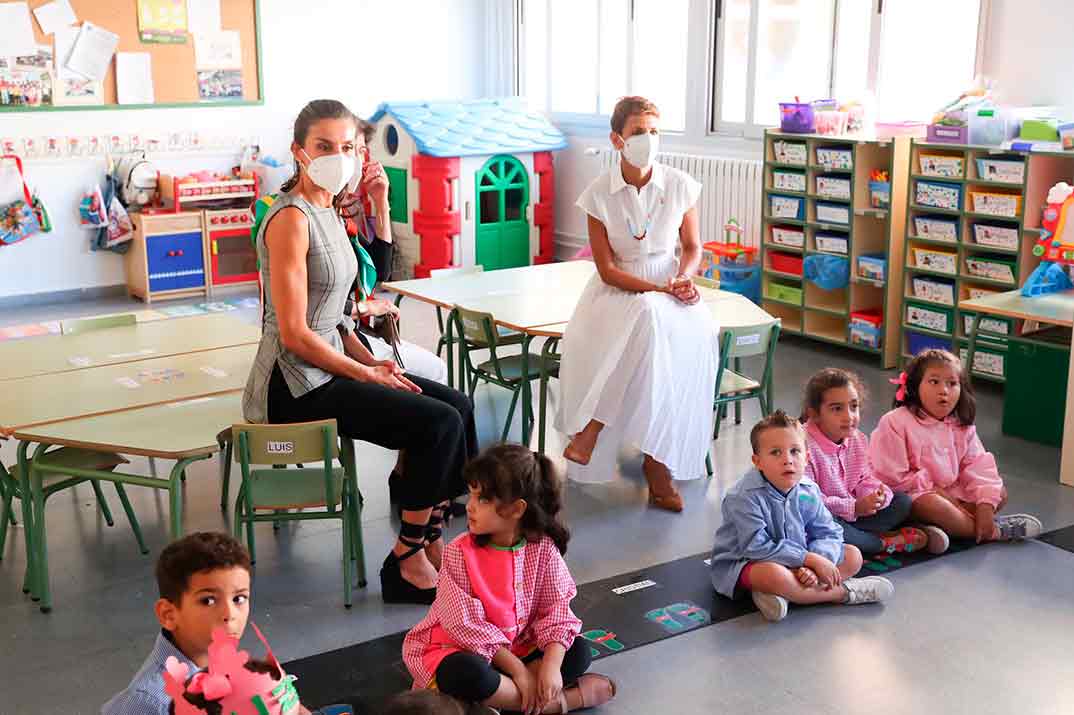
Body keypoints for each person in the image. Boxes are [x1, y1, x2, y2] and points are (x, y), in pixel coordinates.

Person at [241, 99, 478, 605]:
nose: (337, 155)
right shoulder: (290, 219)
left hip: (330, 365)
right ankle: (407, 557)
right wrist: (363, 374)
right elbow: (295, 334)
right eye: (324, 146)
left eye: (346, 146)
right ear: (299, 152)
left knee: (458, 405)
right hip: (294, 385)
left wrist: (372, 361)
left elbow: (339, 317)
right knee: (437, 424)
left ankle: (431, 533)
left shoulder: (329, 209)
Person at [555, 96, 719, 512]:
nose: (648, 139)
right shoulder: (597, 195)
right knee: (647, 317)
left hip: (671, 285)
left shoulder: (681, 184)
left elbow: (692, 246)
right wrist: (660, 292)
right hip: (618, 293)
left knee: (671, 334)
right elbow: (607, 270)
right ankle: (655, 466)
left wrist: (682, 278)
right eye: (638, 132)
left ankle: (594, 430)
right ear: (617, 139)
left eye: (654, 131)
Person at [402, 444, 616, 713]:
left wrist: (550, 666)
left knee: (577, 651)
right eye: (471, 495)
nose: (469, 507)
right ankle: (557, 703)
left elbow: (557, 611)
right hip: (465, 650)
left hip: (518, 648)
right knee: (464, 672)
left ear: (517, 509)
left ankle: (501, 701)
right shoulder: (458, 552)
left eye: (482, 500)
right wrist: (521, 673)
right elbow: (464, 626)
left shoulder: (544, 549)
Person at [102, 533, 352, 715]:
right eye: (209, 600)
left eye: (239, 598)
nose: (229, 614)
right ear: (169, 613)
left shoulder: (219, 654)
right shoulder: (149, 703)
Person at [709, 411, 895, 622]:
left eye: (795, 451)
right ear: (757, 461)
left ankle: (787, 594)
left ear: (806, 458)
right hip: (749, 561)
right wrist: (808, 559)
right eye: (775, 453)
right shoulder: (743, 497)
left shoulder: (809, 490)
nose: (787, 460)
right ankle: (844, 593)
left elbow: (829, 532)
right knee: (774, 575)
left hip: (801, 560)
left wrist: (815, 563)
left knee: (853, 556)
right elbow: (756, 547)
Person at [869, 349, 1043, 543]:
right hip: (912, 495)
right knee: (934, 505)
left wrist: (985, 504)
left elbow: (978, 465)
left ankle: (946, 526)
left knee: (998, 494)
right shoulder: (894, 422)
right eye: (934, 382)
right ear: (914, 385)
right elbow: (892, 477)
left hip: (950, 492)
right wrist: (938, 492)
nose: (944, 390)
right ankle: (993, 531)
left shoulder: (960, 424)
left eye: (952, 384)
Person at [800, 367, 946, 559]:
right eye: (837, 409)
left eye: (854, 406)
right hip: (823, 517)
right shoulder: (802, 445)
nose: (849, 416)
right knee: (829, 528)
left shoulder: (857, 438)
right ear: (814, 414)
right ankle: (882, 543)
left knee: (902, 501)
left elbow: (864, 478)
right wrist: (853, 507)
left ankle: (870, 538)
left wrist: (877, 495)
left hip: (853, 515)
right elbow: (809, 501)